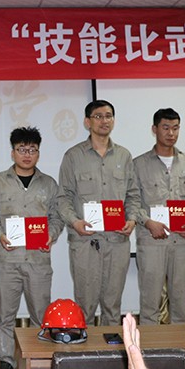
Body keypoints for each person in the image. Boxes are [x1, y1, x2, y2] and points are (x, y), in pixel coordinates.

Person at [0, 126, 64, 369]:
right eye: (22, 149)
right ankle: (5, 361)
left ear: (38, 153)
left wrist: (51, 234)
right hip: (7, 261)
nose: (27, 155)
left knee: (41, 315)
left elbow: (57, 217)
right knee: (4, 315)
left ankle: (40, 360)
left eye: (32, 150)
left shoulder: (49, 184)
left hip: (38, 262)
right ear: (13, 152)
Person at [57, 100, 141, 326]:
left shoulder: (124, 156)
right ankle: (84, 348)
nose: (105, 121)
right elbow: (63, 197)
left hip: (117, 240)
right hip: (86, 241)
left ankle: (110, 348)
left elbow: (133, 195)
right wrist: (74, 222)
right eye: (99, 116)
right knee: (84, 306)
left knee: (113, 306)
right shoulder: (73, 156)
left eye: (109, 116)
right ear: (87, 122)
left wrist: (132, 219)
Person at [133, 108, 185, 324]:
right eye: (165, 128)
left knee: (180, 301)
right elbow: (132, 202)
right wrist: (147, 222)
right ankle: (149, 343)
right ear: (154, 129)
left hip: (181, 241)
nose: (171, 133)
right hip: (151, 240)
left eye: (175, 128)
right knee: (150, 301)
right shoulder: (138, 164)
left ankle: (180, 343)